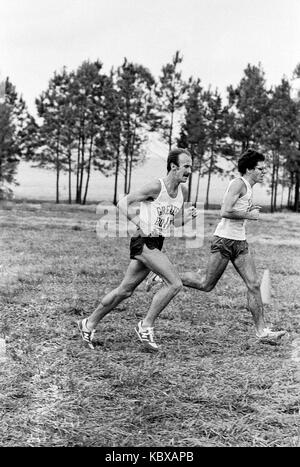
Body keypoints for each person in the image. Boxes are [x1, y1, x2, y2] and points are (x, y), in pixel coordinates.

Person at [146, 149, 286, 342]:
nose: (264, 172)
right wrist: (249, 215)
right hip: (224, 241)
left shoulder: (249, 187)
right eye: (260, 169)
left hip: (240, 242)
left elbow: (235, 210)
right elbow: (224, 211)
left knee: (254, 284)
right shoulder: (238, 183)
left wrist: (247, 211)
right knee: (205, 284)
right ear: (249, 169)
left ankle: (262, 332)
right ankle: (162, 275)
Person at [78, 148, 198, 351]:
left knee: (125, 291)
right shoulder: (155, 186)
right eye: (186, 166)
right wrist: (137, 221)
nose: (189, 171)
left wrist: (187, 217)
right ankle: (146, 325)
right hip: (143, 241)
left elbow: (173, 222)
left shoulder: (182, 192)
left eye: (191, 167)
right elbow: (123, 202)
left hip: (157, 242)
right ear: (173, 166)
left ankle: (88, 323)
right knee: (175, 283)